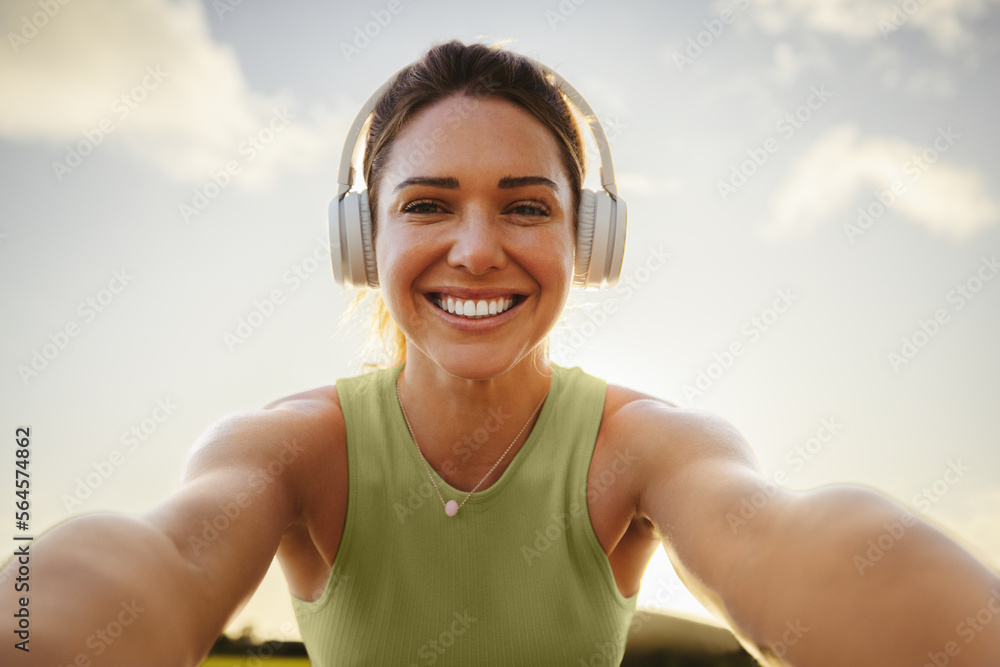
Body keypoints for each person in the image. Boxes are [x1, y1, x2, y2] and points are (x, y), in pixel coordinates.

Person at [3, 39, 999, 667]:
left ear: (587, 243)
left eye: (526, 207)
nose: (477, 248)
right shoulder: (286, 445)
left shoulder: (648, 445)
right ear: (364, 246)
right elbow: (164, 557)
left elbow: (783, 538)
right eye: (426, 205)